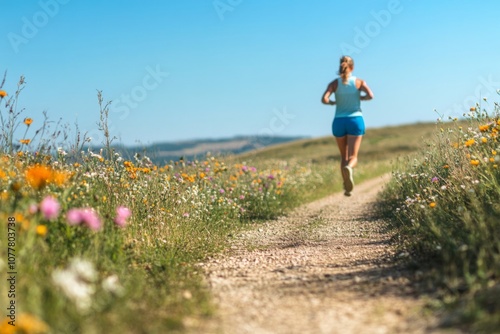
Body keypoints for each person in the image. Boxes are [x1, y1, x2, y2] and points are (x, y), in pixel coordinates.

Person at [321, 56, 374, 196]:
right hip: (355, 119)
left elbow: (324, 99)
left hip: (339, 121)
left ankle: (346, 187)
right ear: (352, 67)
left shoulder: (334, 83)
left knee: (343, 156)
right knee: (353, 156)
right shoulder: (359, 82)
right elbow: (371, 95)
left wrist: (333, 102)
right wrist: (360, 98)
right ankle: (350, 168)